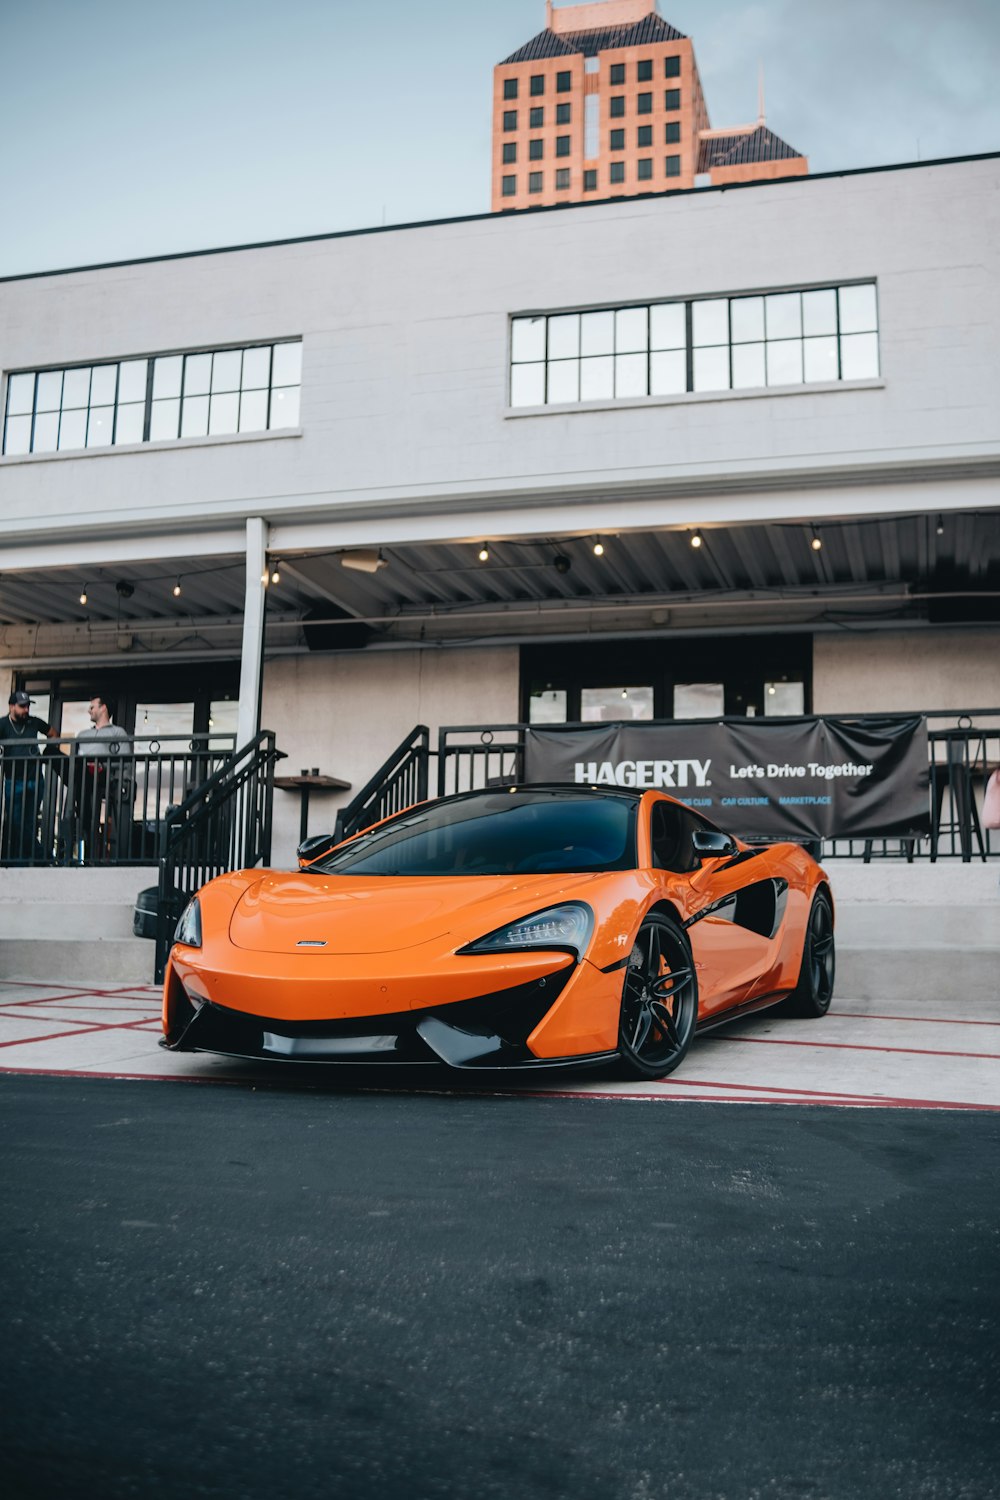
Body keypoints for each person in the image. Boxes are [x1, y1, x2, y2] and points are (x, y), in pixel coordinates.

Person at [0, 691, 57, 862]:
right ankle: (41, 855)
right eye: (22, 706)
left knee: (30, 822)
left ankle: (28, 858)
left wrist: (47, 752)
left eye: (28, 706)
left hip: (35, 779)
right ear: (12, 707)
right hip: (13, 780)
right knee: (16, 822)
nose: (26, 710)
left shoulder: (34, 722)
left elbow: (53, 733)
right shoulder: (2, 724)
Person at [74, 696, 133, 860]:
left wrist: (103, 765)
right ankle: (81, 829)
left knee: (85, 780)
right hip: (82, 775)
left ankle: (85, 830)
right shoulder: (83, 734)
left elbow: (125, 762)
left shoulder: (117, 732)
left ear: (103, 708)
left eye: (92, 707)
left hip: (104, 776)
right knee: (52, 753)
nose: (89, 710)